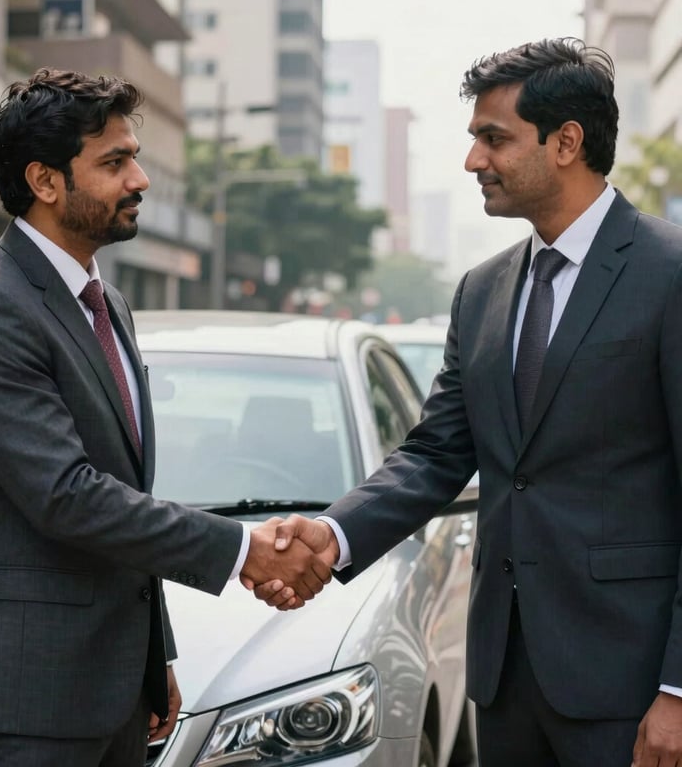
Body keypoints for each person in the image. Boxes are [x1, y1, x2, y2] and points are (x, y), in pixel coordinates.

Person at [250, 37, 682, 766]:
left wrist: (678, 687)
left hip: (631, 686)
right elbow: (434, 453)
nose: (473, 161)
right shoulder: (481, 290)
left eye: (494, 139)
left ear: (567, 142)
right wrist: (335, 535)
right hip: (503, 678)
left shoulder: (668, 274)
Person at [0, 68, 330, 767]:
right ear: (46, 181)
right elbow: (68, 495)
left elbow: (125, 495)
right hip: (25, 705)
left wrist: (153, 658)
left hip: (112, 695)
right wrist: (244, 551)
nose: (139, 179)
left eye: (135, 157)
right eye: (115, 162)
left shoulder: (106, 305)